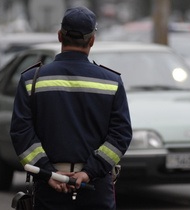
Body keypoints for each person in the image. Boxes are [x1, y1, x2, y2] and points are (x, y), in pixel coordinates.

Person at [10, 6, 132, 210]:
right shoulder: (112, 82)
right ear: (92, 40)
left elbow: (21, 133)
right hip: (95, 188)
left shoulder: (31, 80)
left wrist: (47, 172)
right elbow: (120, 135)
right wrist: (89, 172)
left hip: (48, 188)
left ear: (60, 36)